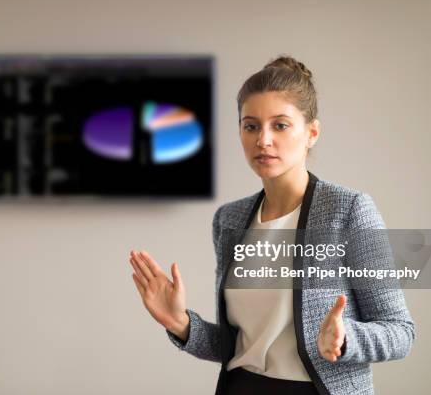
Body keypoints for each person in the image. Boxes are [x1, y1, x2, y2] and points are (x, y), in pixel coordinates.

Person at [128, 55, 415, 395]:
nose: (263, 140)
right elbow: (238, 345)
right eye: (251, 126)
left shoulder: (348, 209)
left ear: (312, 133)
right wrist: (180, 323)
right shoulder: (229, 220)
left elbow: (400, 332)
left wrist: (346, 338)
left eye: (280, 125)